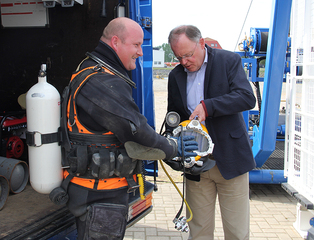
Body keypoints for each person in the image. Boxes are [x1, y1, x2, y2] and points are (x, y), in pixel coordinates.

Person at [58, 17, 197, 240]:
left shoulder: (94, 70)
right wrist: (173, 147)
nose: (141, 52)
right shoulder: (100, 81)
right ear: (115, 41)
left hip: (99, 190)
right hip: (99, 194)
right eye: (136, 45)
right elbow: (136, 130)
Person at [166, 25, 257, 240]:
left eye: (188, 55)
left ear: (201, 43)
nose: (184, 62)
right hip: (195, 165)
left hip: (231, 160)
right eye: (179, 57)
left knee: (237, 231)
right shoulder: (175, 76)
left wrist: (208, 106)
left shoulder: (228, 61)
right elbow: (174, 117)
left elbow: (246, 97)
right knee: (198, 231)